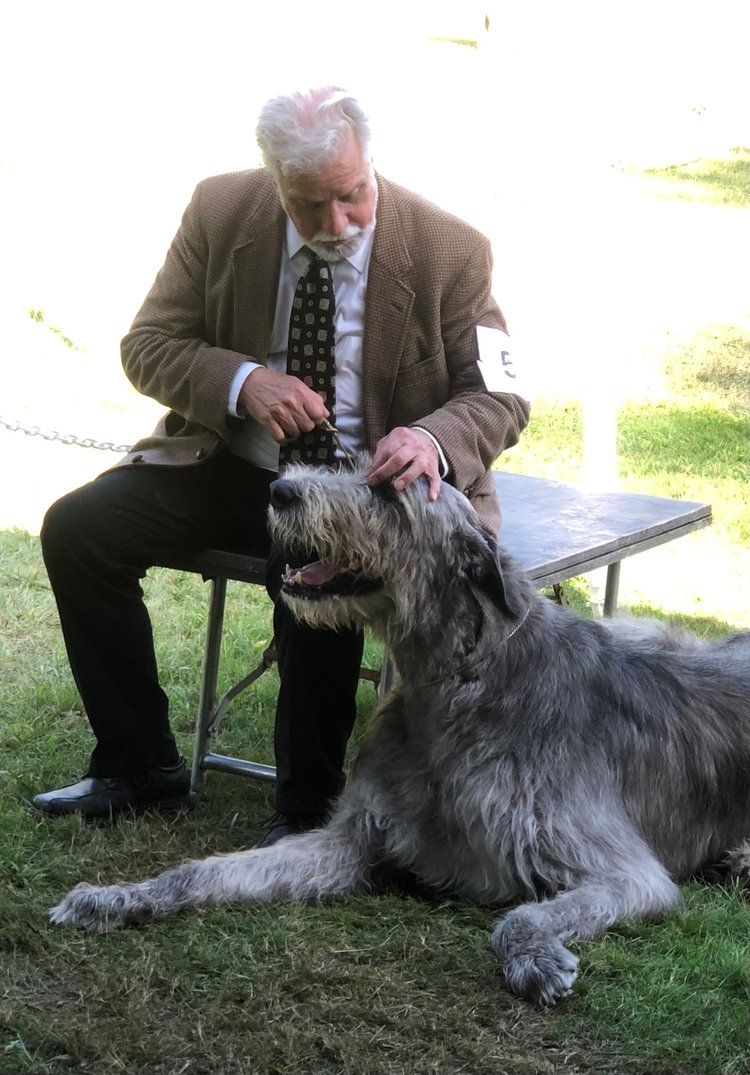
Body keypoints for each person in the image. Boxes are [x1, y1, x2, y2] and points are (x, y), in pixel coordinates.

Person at [34, 86, 530, 842]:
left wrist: (430, 438)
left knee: (314, 559)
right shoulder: (218, 211)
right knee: (78, 529)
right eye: (309, 204)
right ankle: (139, 765)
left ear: (370, 167)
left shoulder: (451, 249)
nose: (337, 224)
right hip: (235, 463)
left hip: (371, 490)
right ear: (273, 183)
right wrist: (242, 382)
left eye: (352, 196)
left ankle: (307, 809)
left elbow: (501, 397)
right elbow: (148, 344)